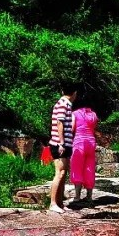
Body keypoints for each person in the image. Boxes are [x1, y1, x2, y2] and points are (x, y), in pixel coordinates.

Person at [47, 85, 75, 214]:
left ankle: (60, 203)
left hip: (66, 144)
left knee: (63, 173)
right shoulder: (63, 104)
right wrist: (62, 143)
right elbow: (59, 123)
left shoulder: (65, 104)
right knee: (60, 173)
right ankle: (53, 203)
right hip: (59, 144)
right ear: (75, 93)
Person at [69, 97, 99, 207]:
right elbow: (93, 129)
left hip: (79, 142)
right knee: (89, 168)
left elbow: (72, 128)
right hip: (91, 143)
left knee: (77, 168)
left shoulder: (75, 113)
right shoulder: (94, 115)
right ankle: (89, 196)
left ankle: (77, 196)